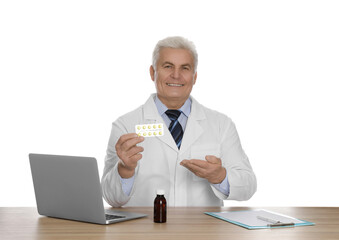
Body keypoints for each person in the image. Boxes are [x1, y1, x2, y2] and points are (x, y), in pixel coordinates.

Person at [101, 36, 257, 207]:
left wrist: (219, 177)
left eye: (185, 68)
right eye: (168, 66)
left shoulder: (222, 124)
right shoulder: (125, 125)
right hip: (145, 231)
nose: (176, 75)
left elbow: (248, 186)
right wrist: (125, 170)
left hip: (202, 231)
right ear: (153, 73)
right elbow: (111, 198)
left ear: (194, 76)